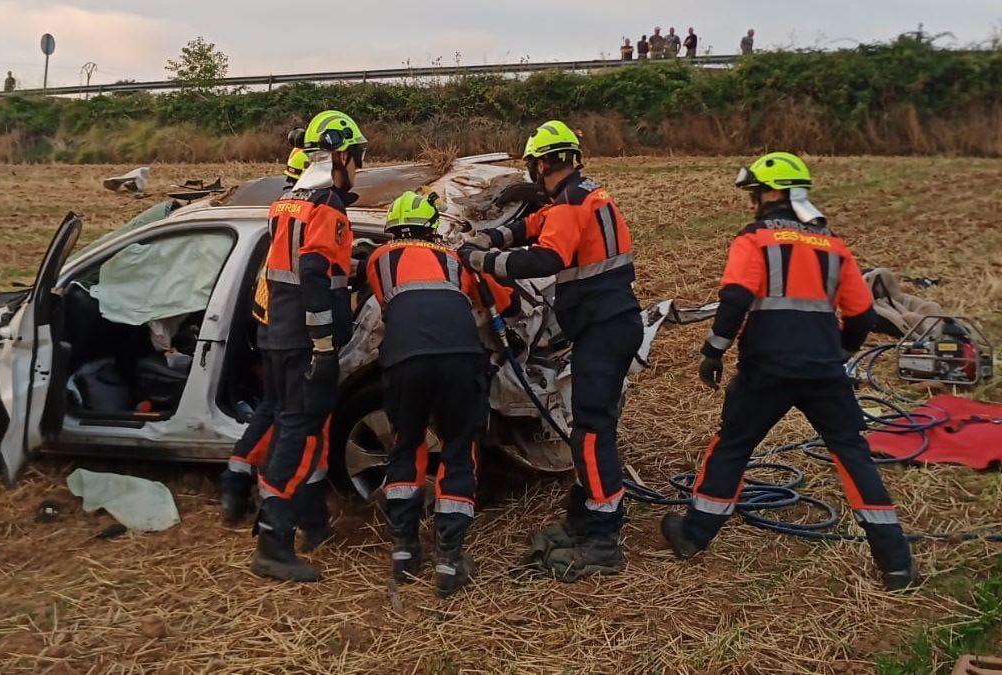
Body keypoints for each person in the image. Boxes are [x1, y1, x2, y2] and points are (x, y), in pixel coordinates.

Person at [659, 152, 918, 592]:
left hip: (767, 368)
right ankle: (895, 561)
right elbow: (861, 313)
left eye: (756, 192)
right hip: (823, 370)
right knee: (851, 454)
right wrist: (839, 351)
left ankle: (694, 534)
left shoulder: (755, 239)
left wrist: (713, 351)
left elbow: (736, 298)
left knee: (733, 444)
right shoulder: (833, 244)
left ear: (772, 192)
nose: (753, 201)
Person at [459, 121, 642, 579]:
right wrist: (491, 236)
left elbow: (545, 258)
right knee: (590, 428)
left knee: (593, 432)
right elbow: (530, 226)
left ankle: (603, 539)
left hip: (604, 328)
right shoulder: (585, 196)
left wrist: (483, 261)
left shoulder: (570, 206)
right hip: (612, 324)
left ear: (541, 163)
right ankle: (584, 518)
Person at [366, 191, 515, 598]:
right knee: (457, 447)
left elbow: (390, 306)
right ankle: (449, 559)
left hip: (405, 362)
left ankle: (404, 552)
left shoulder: (379, 261)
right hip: (460, 359)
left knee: (406, 445)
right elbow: (503, 301)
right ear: (432, 227)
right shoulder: (453, 259)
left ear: (392, 228)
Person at [251, 110, 367, 583]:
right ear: (339, 155)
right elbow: (316, 273)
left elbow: (296, 269)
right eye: (356, 156)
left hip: (276, 334)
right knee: (299, 436)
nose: (358, 165)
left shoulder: (289, 200)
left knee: (305, 431)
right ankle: (273, 542)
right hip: (304, 342)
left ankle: (313, 522)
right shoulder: (328, 207)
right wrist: (323, 345)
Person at [219, 144, 316, 524]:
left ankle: (235, 480)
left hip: (267, 322)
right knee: (291, 415)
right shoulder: (310, 214)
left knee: (270, 407)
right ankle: (273, 504)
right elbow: (313, 274)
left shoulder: (281, 209)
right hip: (289, 328)